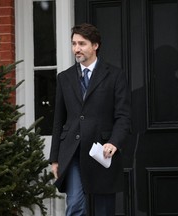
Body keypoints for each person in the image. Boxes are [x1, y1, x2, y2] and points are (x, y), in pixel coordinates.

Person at [49, 23, 131, 216]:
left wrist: (114, 142)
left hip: (102, 152)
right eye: (74, 43)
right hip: (72, 153)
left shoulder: (115, 76)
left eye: (82, 44)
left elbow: (123, 116)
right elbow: (58, 119)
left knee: (104, 209)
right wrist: (54, 158)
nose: (76, 49)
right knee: (75, 204)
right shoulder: (64, 78)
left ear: (95, 46)